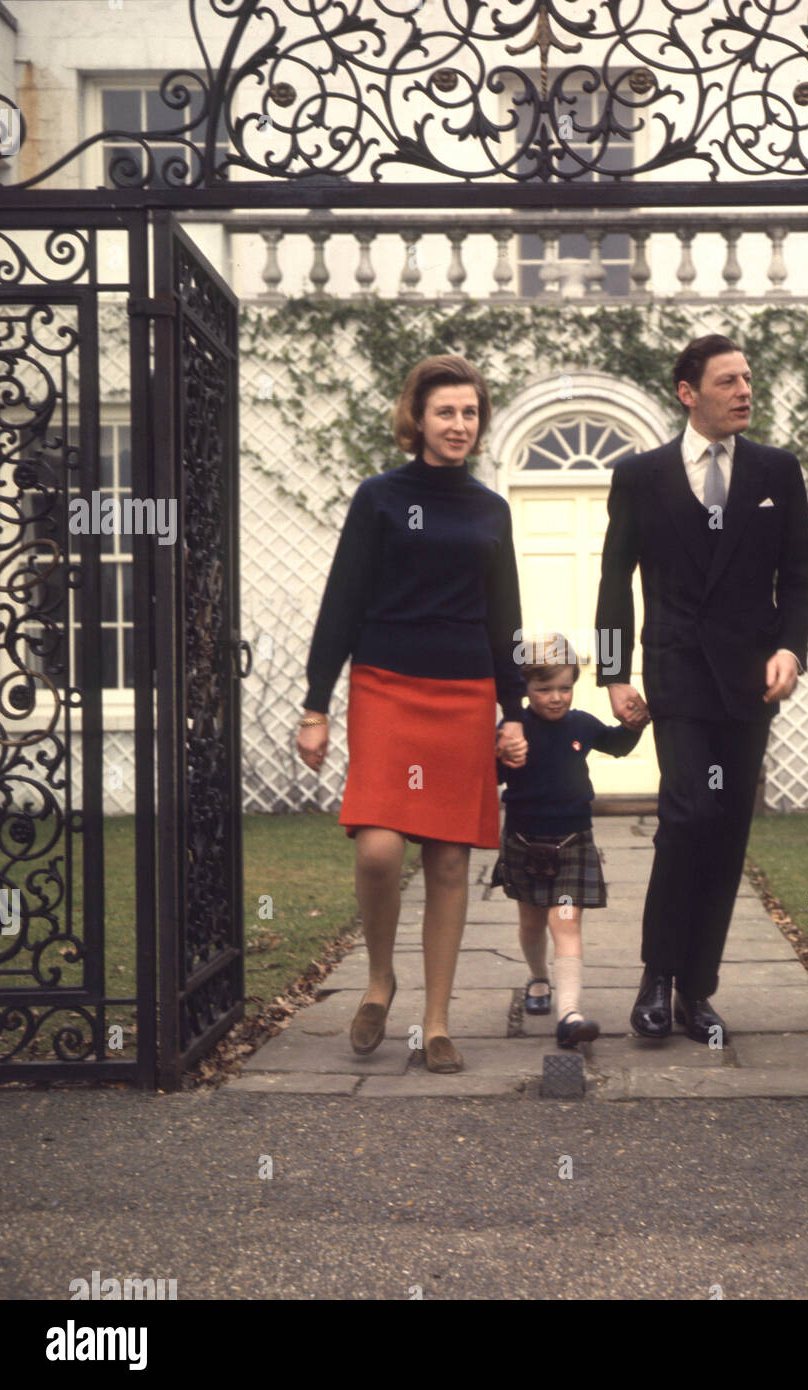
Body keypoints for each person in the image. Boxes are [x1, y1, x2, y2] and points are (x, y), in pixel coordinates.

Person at [295, 355, 529, 1075]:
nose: (459, 425)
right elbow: (341, 601)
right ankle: (377, 978)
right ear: (416, 419)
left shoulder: (491, 508)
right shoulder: (379, 499)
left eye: (469, 413)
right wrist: (315, 704)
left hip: (462, 692)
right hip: (386, 685)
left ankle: (434, 1022)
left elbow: (505, 617)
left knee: (450, 859)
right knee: (378, 847)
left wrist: (513, 710)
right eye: (445, 412)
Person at [595, 334, 808, 1043]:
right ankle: (656, 977)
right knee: (688, 814)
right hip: (677, 677)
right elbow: (613, 582)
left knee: (724, 830)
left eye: (748, 378)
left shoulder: (776, 472)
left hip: (750, 684)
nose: (744, 391)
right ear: (688, 392)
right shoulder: (639, 475)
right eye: (727, 381)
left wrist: (789, 647)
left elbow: (800, 578)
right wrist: (612, 674)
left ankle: (698, 990)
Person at [489, 634, 642, 1047]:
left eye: (564, 687)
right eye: (543, 689)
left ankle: (570, 1015)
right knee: (531, 920)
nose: (556, 698)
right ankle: (539, 979)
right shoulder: (512, 728)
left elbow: (617, 745)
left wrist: (636, 723)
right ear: (524, 688)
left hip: (573, 838)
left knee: (567, 922)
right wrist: (503, 756)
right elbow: (492, 777)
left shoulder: (582, 724)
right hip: (524, 838)